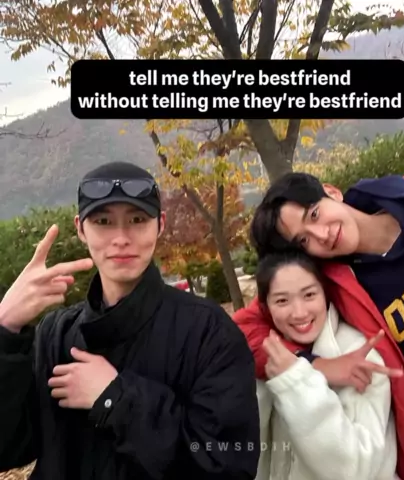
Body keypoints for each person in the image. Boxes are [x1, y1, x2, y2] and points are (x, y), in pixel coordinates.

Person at [0, 161, 260, 480]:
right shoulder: (55, 333)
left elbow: (227, 465)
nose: (121, 238)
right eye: (103, 221)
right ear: (80, 229)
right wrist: (5, 329)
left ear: (160, 225)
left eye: (137, 220)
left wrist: (116, 398)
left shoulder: (209, 331)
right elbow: (8, 448)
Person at [233, 170, 404, 480]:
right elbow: (242, 331)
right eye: (304, 240)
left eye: (315, 214)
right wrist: (314, 365)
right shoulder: (329, 278)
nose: (321, 234)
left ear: (332, 192)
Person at [253, 250, 398, 480]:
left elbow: (355, 470)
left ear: (325, 294)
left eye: (309, 295)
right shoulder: (269, 356)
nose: (299, 313)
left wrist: (296, 383)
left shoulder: (357, 353)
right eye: (282, 300)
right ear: (265, 306)